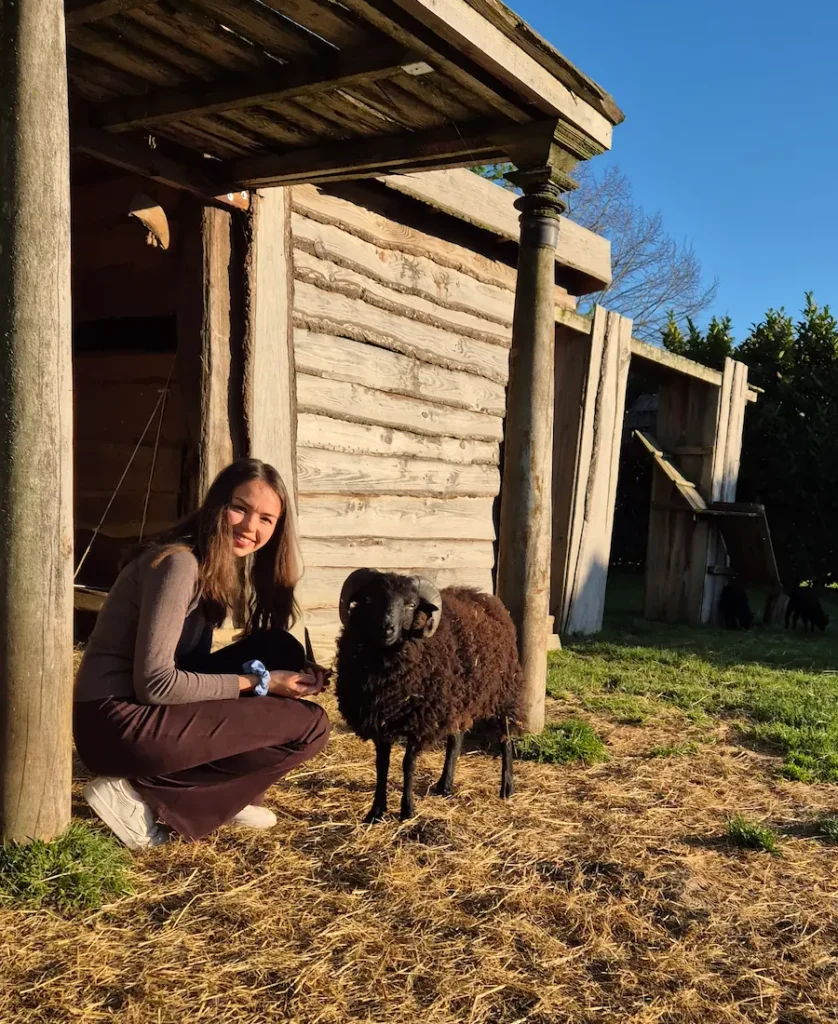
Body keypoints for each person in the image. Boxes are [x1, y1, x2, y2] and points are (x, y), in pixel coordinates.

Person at [73, 458, 331, 850]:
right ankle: (141, 794)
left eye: (266, 519)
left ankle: (224, 795)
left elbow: (184, 670)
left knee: (281, 648)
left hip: (139, 717)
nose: (250, 527)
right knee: (312, 726)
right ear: (215, 505)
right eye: (240, 508)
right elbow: (157, 685)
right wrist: (259, 682)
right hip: (115, 726)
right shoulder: (178, 563)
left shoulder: (209, 565)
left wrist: (289, 673)